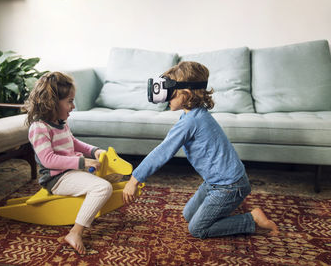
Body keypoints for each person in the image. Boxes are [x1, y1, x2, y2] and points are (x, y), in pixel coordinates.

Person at [123, 61, 279, 239]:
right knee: (188, 215)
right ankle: (221, 213)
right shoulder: (193, 114)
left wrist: (134, 180)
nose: (166, 98)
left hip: (229, 186)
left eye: (170, 93)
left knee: (197, 229)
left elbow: (162, 152)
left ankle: (252, 219)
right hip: (215, 182)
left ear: (187, 93)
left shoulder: (191, 122)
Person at [24, 71, 113, 254]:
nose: (73, 106)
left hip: (71, 171)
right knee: (103, 188)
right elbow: (48, 160)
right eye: (69, 101)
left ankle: (89, 201)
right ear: (52, 103)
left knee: (114, 173)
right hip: (57, 178)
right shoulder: (39, 128)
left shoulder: (61, 122)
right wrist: (81, 162)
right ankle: (75, 232)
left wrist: (94, 151)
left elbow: (74, 142)